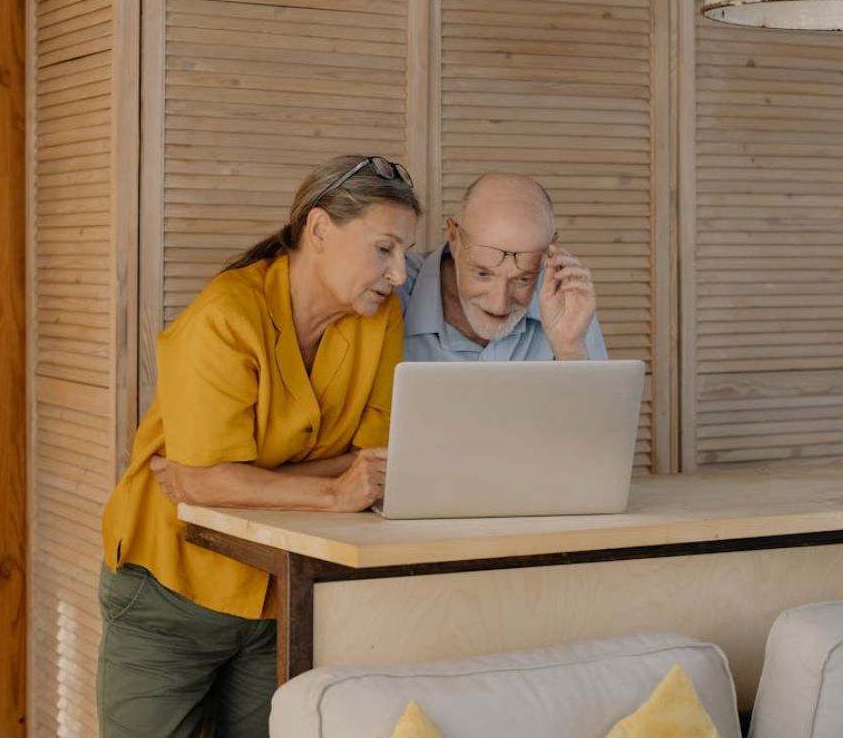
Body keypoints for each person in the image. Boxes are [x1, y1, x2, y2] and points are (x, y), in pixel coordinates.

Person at [96, 155, 420, 737]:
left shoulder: (381, 316)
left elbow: (372, 465)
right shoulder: (226, 316)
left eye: (404, 254)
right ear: (319, 230)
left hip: (282, 594)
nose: (399, 274)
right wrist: (330, 493)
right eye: (384, 249)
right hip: (169, 587)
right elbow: (200, 486)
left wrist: (236, 476)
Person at [397, 173, 608, 361]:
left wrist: (570, 351)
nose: (499, 305)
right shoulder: (392, 287)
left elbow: (604, 406)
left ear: (550, 251)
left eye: (523, 278)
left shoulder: (566, 298)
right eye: (483, 274)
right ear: (454, 238)